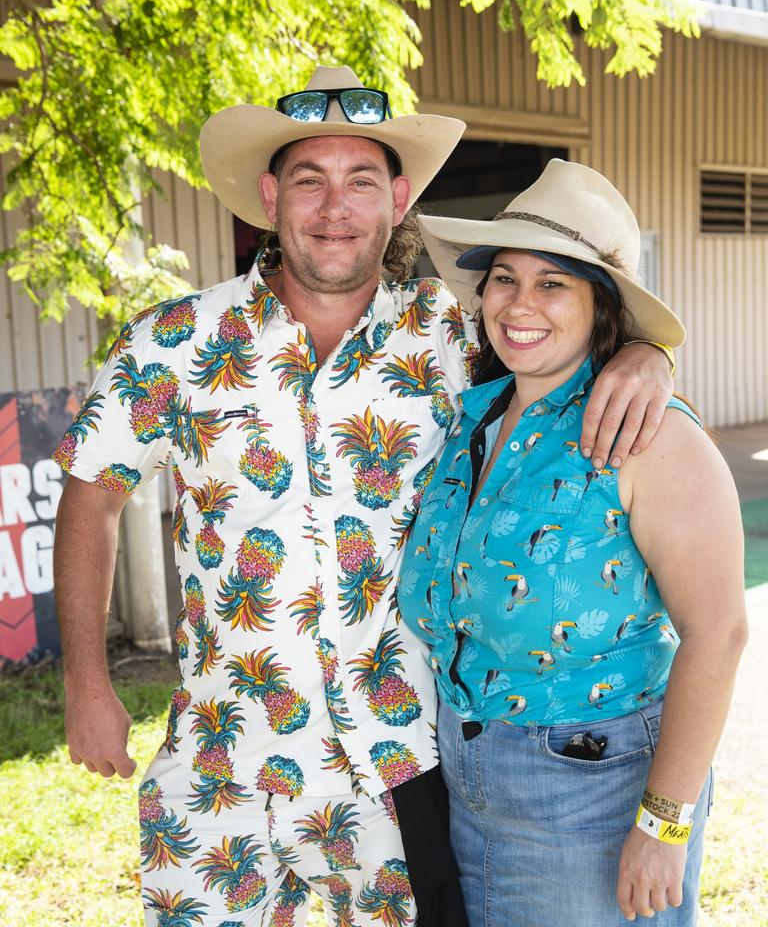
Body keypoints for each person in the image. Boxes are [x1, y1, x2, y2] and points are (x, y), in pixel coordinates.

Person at [52, 68, 675, 927]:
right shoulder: (172, 343)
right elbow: (91, 495)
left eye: (361, 182)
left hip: (400, 766)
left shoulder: (457, 333)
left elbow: (570, 332)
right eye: (309, 180)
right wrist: (87, 679)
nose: (334, 208)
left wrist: (647, 354)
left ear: (400, 196)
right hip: (219, 760)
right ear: (270, 196)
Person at [398, 158, 748, 927]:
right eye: (505, 278)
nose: (520, 304)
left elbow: (718, 634)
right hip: (466, 779)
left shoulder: (650, 437)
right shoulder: (471, 421)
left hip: (597, 793)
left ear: (601, 308)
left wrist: (663, 825)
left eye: (554, 283)